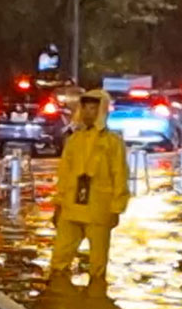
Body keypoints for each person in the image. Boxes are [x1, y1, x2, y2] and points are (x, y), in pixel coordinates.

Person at [51, 90, 129, 282]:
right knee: (59, 260)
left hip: (99, 209)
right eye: (84, 108)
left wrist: (116, 208)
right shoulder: (74, 140)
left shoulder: (113, 143)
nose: (88, 113)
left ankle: (95, 301)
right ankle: (59, 302)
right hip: (71, 208)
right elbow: (64, 175)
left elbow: (120, 174)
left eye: (93, 108)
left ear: (101, 111)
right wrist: (58, 205)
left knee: (97, 264)